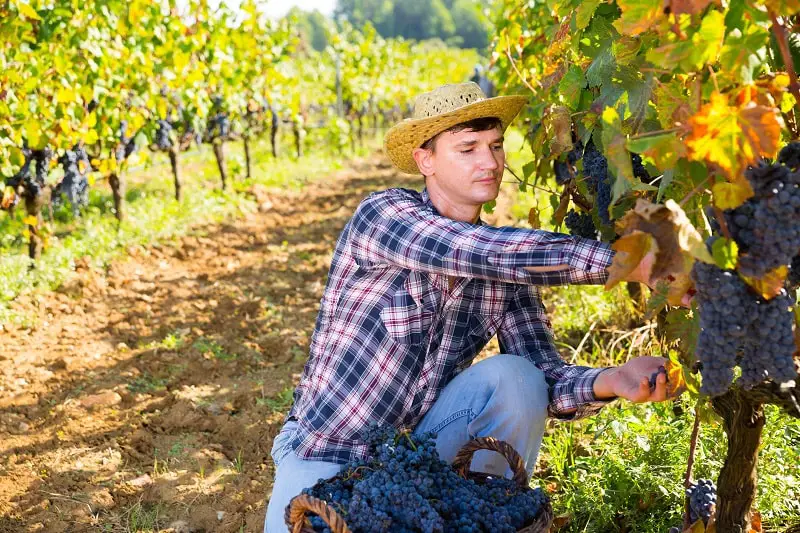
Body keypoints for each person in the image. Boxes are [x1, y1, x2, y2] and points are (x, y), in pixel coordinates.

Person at [264, 82, 676, 532]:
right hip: (325, 453)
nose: (490, 162)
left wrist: (612, 380)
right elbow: (477, 250)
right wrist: (625, 263)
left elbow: (544, 379)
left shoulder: (505, 276)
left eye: (496, 146)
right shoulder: (382, 216)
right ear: (426, 161)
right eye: (468, 149)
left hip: (418, 457)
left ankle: (486, 510)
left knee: (517, 376)